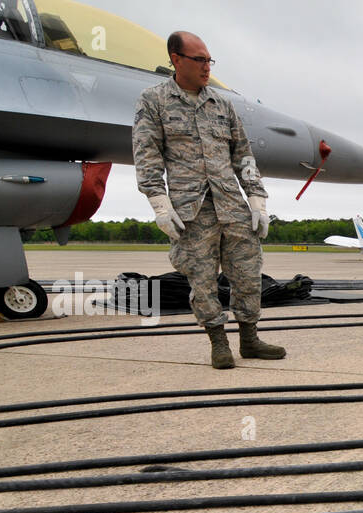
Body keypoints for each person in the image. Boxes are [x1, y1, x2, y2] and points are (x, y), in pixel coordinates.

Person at [132, 31, 285, 369]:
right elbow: (147, 155)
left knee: (248, 273)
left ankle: (249, 339)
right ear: (176, 58)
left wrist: (257, 197)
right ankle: (218, 342)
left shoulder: (221, 103)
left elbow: (243, 155)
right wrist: (158, 202)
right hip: (191, 209)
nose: (206, 67)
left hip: (232, 205)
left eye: (208, 60)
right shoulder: (153, 100)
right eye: (199, 60)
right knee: (202, 280)